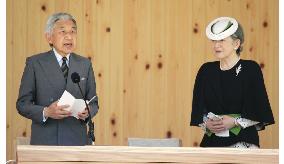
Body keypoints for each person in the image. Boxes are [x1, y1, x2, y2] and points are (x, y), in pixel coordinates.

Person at [190, 17, 274, 148]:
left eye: (222, 40)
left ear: (236, 44)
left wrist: (235, 121)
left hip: (243, 142)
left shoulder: (250, 69)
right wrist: (206, 123)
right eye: (214, 41)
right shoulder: (206, 70)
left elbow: (258, 108)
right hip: (211, 143)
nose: (216, 45)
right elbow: (199, 108)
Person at [16, 12, 99, 145]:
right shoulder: (35, 63)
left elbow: (94, 102)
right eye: (62, 32)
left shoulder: (85, 64)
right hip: (46, 142)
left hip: (77, 142)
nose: (69, 37)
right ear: (49, 38)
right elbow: (22, 104)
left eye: (73, 32)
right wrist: (47, 112)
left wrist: (88, 111)